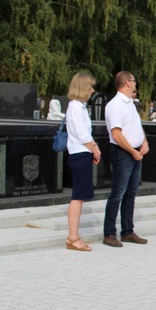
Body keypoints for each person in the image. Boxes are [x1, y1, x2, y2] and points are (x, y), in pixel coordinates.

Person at [102, 71, 149, 247]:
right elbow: (116, 133)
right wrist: (132, 151)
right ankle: (109, 233)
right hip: (123, 153)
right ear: (127, 82)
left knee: (131, 193)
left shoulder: (130, 103)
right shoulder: (115, 105)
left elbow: (136, 126)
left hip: (136, 152)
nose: (136, 84)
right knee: (118, 193)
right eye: (134, 81)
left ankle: (127, 231)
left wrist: (144, 141)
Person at [65, 73, 100, 251]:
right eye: (90, 87)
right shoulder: (76, 108)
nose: (92, 90)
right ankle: (73, 237)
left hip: (82, 153)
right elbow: (82, 134)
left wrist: (92, 149)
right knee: (78, 197)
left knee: (79, 196)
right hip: (79, 153)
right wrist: (95, 148)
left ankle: (73, 236)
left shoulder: (79, 107)